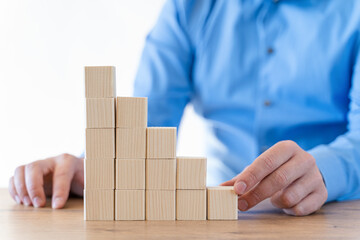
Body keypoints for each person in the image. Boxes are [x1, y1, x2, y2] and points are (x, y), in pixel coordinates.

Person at [8, 0, 360, 215]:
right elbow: (146, 122)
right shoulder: (189, 6)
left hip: (335, 211)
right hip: (224, 212)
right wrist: (96, 169)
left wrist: (327, 171)